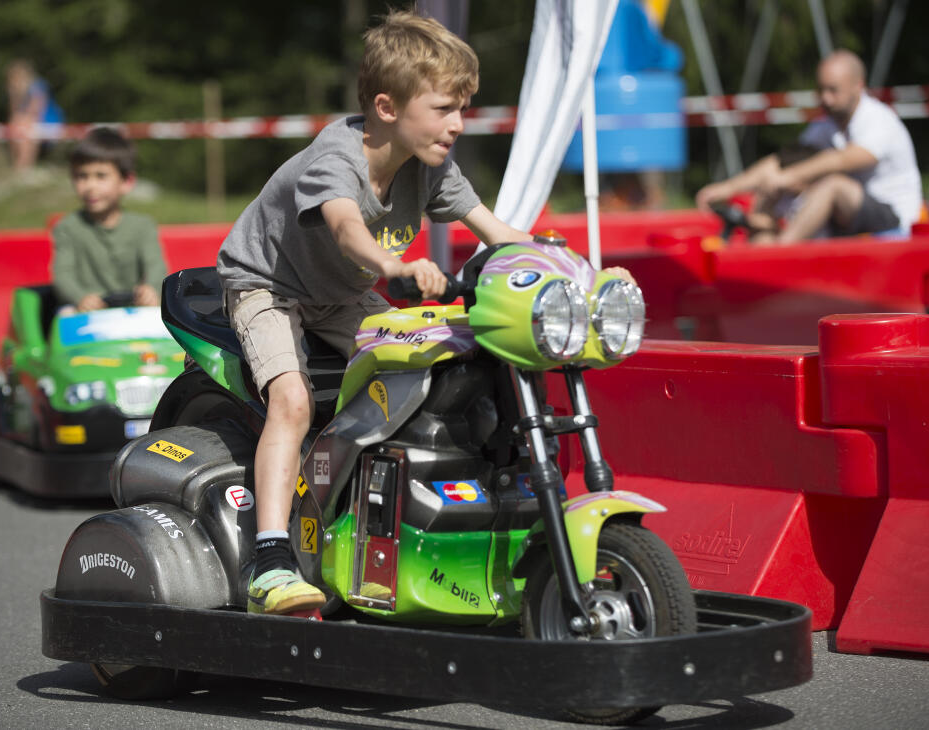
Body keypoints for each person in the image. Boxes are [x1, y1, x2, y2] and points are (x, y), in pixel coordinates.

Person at [218, 10, 633, 616]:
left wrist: (569, 271)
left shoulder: (429, 165)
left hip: (339, 292)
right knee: (294, 400)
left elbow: (496, 231)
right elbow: (347, 228)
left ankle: (363, 516)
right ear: (387, 108)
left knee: (427, 363)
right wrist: (393, 269)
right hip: (268, 285)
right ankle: (272, 560)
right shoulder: (334, 160)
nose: (458, 124)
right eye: (444, 108)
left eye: (462, 108)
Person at [696, 49, 923, 244]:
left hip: (894, 218)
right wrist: (727, 188)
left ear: (858, 85)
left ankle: (781, 253)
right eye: (821, 90)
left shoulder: (877, 119)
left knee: (830, 184)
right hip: (850, 216)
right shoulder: (827, 124)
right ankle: (760, 242)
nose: (825, 98)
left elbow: (843, 159)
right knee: (777, 183)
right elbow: (781, 162)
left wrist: (788, 177)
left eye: (833, 90)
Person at [51, 127, 166, 312]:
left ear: (126, 181)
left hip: (133, 310)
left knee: (164, 311)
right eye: (82, 176)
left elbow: (156, 266)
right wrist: (80, 297)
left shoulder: (143, 226)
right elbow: (63, 275)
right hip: (84, 311)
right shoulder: (67, 227)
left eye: (101, 176)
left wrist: (151, 289)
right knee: (66, 314)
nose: (90, 186)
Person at [6, 59, 65, 175]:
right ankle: (21, 167)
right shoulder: (17, 90)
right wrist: (14, 95)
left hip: (46, 121)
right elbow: (13, 113)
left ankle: (23, 168)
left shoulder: (38, 86)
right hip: (27, 122)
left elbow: (35, 110)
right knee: (17, 125)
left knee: (24, 127)